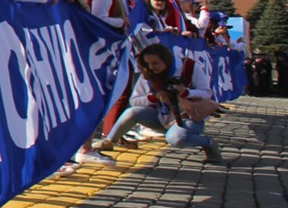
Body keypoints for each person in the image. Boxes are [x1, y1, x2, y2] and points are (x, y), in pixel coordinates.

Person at [93, 43, 224, 164]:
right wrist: (154, 98)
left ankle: (208, 143)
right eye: (147, 63)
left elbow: (207, 93)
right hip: (162, 116)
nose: (151, 67)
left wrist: (186, 92)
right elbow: (134, 100)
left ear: (166, 60)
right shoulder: (148, 73)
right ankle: (109, 141)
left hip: (189, 117)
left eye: (155, 63)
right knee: (132, 112)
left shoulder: (189, 67)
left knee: (176, 139)